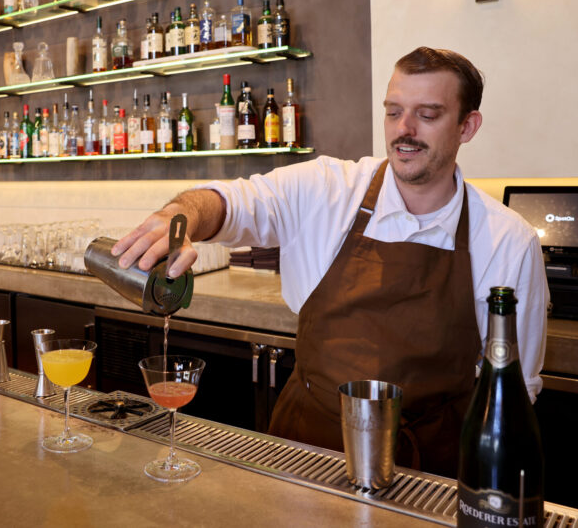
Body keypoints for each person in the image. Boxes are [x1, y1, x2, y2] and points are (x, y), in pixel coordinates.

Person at [111, 46, 548, 478]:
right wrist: (179, 217)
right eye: (393, 112)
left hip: (428, 472)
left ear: (467, 126)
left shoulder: (507, 241)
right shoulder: (327, 188)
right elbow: (234, 201)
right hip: (305, 453)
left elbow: (513, 394)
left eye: (427, 115)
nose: (404, 130)